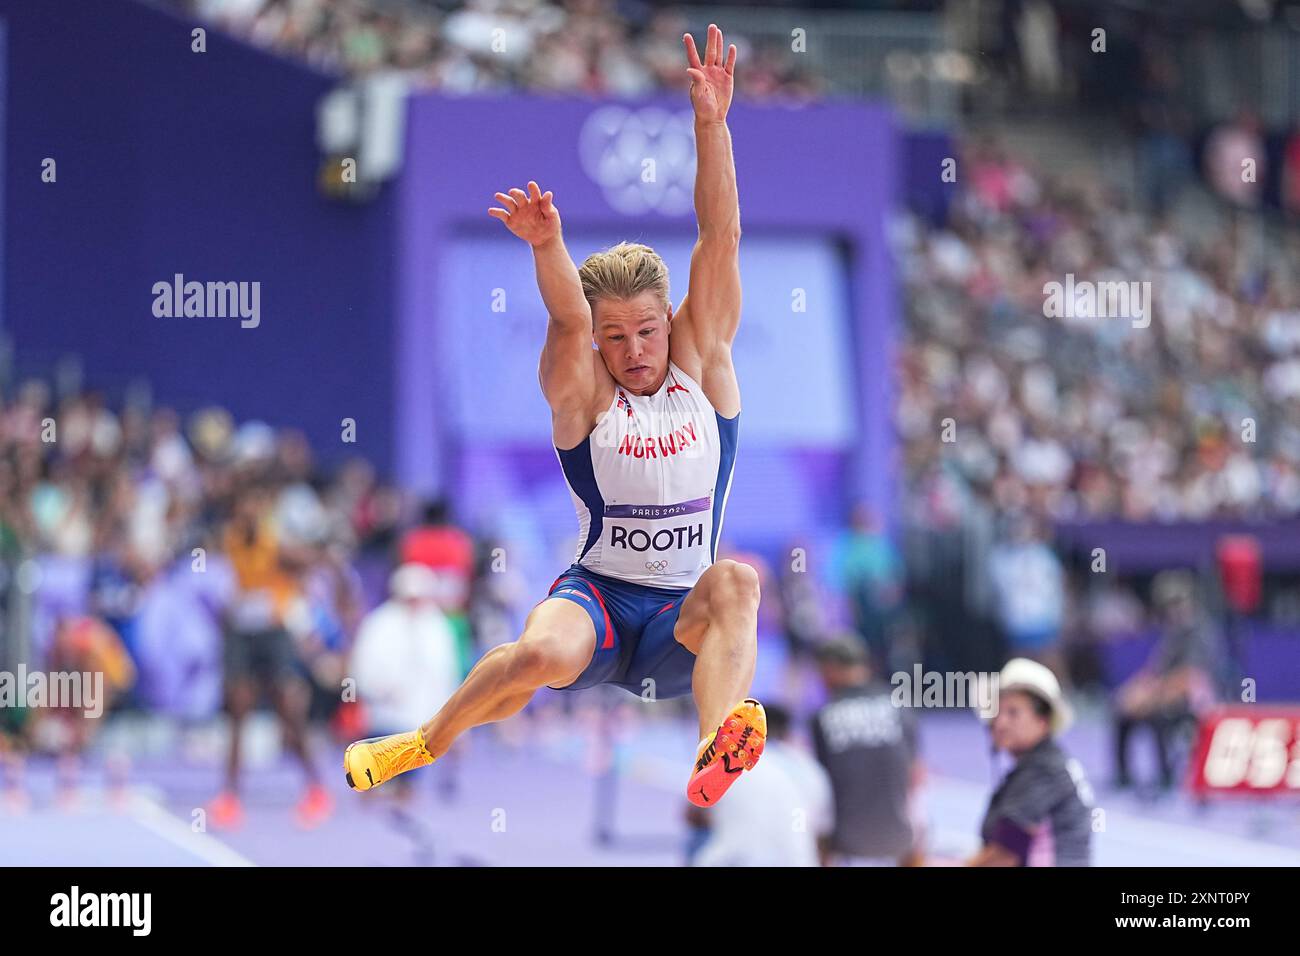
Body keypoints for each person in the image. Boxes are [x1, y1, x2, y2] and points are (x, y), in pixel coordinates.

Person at [344, 24, 767, 809]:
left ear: (669, 322)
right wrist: (548, 247)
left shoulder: (702, 362)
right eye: (617, 337)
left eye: (647, 330)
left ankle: (715, 749)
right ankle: (422, 742)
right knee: (538, 652)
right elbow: (571, 325)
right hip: (600, 598)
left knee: (736, 581)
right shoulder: (585, 395)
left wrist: (712, 125)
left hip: (683, 618)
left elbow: (723, 235)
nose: (634, 348)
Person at [210, 480, 332, 829]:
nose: (248, 512)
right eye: (242, 506)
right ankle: (230, 797)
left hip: (273, 632)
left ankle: (316, 788)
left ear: (262, 509)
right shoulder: (231, 537)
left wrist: (297, 578)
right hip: (240, 633)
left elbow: (309, 561)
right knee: (237, 711)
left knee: (288, 713)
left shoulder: (275, 541)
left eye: (254, 505)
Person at [350, 563, 463, 804]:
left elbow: (446, 671)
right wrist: (379, 688)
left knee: (411, 773)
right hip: (385, 710)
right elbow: (363, 664)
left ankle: (406, 790)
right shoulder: (379, 623)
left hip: (422, 714)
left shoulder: (436, 625)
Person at [970, 658, 1093, 867]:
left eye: (1013, 713)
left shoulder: (1042, 770)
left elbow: (1004, 856)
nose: (1000, 723)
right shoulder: (1046, 764)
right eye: (996, 713)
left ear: (1043, 721)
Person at [811, 636, 922, 866]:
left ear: (830, 668)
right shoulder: (899, 706)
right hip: (900, 841)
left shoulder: (823, 716)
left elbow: (820, 787)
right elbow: (917, 775)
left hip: (845, 844)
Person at [1112, 570, 1223, 792]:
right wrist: (1137, 691)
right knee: (1121, 711)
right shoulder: (1173, 633)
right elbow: (1155, 671)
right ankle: (1123, 775)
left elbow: (1192, 675)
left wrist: (1154, 696)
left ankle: (1165, 775)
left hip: (1193, 698)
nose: (1172, 609)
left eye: (1176, 602)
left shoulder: (1202, 632)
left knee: (1158, 715)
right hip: (1164, 693)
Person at [687, 704, 832, 867]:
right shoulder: (809, 768)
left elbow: (692, 815)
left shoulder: (725, 761)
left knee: (699, 828)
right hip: (796, 862)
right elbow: (823, 838)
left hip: (731, 861)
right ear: (787, 734)